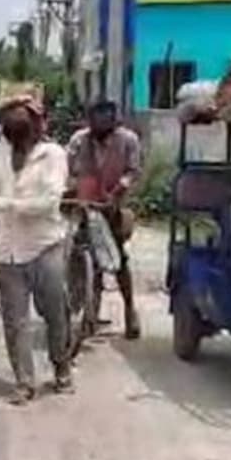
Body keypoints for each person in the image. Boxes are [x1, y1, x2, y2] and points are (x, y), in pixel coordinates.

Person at [0, 93, 72, 404]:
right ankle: (24, 382)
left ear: (37, 126)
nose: (14, 129)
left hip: (45, 246)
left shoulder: (53, 155)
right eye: (10, 124)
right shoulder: (0, 152)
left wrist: (3, 203)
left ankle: (61, 367)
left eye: (22, 121)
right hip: (7, 250)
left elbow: (49, 203)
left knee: (54, 314)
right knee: (14, 321)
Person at [66, 100, 143, 340]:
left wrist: (118, 190)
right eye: (95, 119)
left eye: (105, 119)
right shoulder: (79, 141)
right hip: (85, 203)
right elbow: (68, 170)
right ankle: (90, 309)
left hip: (113, 204)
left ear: (114, 120)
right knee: (83, 254)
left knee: (118, 257)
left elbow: (133, 171)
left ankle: (130, 309)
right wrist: (70, 191)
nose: (99, 124)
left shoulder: (128, 140)